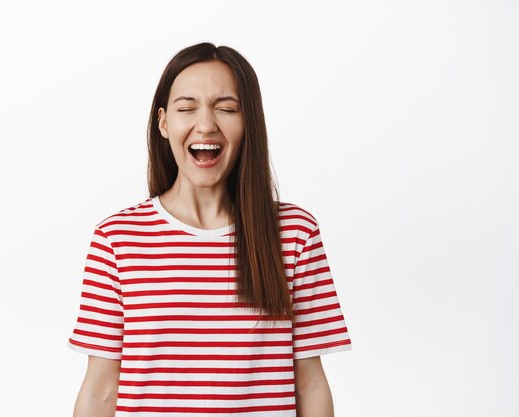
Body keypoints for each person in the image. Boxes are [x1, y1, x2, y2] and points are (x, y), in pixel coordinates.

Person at [67, 42, 352, 417]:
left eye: (227, 109)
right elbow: (100, 391)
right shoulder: (117, 238)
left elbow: (310, 384)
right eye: (187, 108)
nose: (206, 125)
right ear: (164, 123)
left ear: (249, 121)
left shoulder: (294, 233)